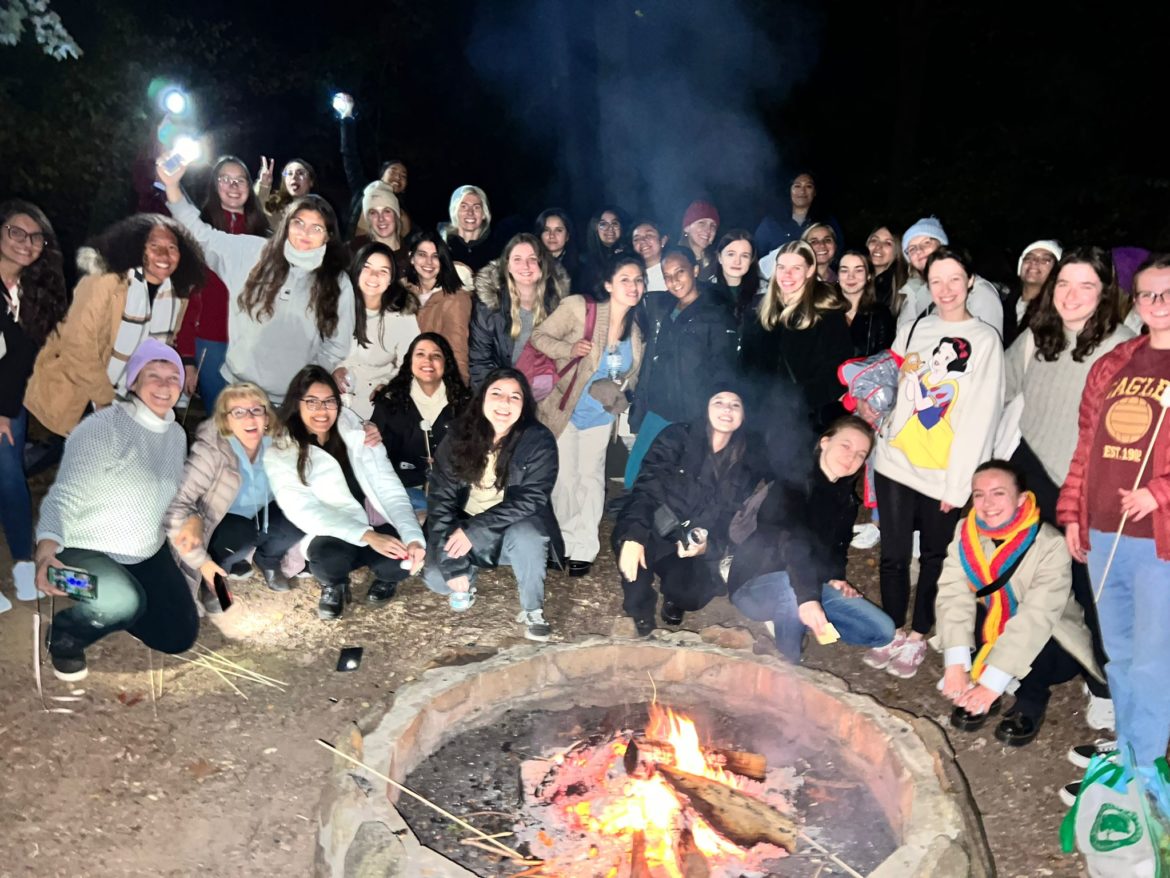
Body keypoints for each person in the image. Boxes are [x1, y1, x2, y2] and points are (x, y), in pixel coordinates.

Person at [1005, 247, 1134, 737]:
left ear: (1105, 294)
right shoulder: (1040, 336)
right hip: (1031, 472)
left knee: (1091, 596)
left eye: (1086, 286)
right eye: (1063, 284)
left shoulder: (1123, 349)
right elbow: (998, 383)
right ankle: (1031, 689)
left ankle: (1103, 686)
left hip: (1087, 487)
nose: (1071, 296)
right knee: (1026, 585)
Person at [1057, 253, 1170, 793]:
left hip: (1158, 542)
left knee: (1152, 659)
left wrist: (1159, 491)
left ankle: (1145, 767)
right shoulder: (1117, 361)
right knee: (1120, 654)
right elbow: (1087, 446)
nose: (1156, 305)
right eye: (1147, 295)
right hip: (1104, 532)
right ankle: (1128, 751)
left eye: (1167, 294)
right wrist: (1073, 512)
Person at [864, 248, 1005, 679]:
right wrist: (874, 411)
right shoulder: (915, 328)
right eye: (937, 281)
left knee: (933, 556)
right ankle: (889, 628)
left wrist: (959, 486)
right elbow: (891, 380)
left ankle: (919, 633)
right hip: (894, 461)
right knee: (892, 553)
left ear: (971, 282)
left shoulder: (984, 341)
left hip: (942, 472)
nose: (945, 290)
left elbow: (982, 416)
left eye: (954, 280)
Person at [34, 339, 197, 681]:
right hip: (86, 548)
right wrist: (47, 550)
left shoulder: (177, 435)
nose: (165, 386)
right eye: (154, 375)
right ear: (134, 381)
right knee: (122, 602)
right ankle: (65, 631)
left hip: (144, 553)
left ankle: (118, 605)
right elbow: (65, 494)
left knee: (178, 636)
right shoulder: (103, 427)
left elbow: (165, 498)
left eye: (173, 377)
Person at [159, 160, 355, 404]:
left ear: (328, 235)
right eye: (298, 223)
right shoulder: (253, 253)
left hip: (292, 401)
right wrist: (172, 186)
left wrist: (309, 377)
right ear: (286, 225)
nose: (305, 233)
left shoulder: (337, 281)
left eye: (316, 228)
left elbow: (337, 344)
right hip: (238, 389)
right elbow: (202, 236)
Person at [938, 461, 1104, 747]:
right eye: (979, 494)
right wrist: (956, 662)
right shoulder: (966, 530)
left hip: (1051, 638)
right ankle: (980, 681)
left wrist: (992, 683)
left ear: (1021, 499)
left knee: (1036, 635)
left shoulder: (1050, 544)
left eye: (998, 493)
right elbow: (953, 593)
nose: (987, 503)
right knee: (971, 614)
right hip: (996, 621)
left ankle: (1031, 698)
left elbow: (1036, 617)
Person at [728, 416, 895, 661]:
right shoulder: (792, 484)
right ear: (825, 442)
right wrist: (807, 599)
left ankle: (795, 618)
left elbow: (838, 548)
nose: (852, 458)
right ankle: (788, 669)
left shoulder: (846, 501)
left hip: (810, 585)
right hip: (757, 580)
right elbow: (791, 541)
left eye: (861, 454)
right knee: (789, 590)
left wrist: (835, 578)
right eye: (846, 446)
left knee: (882, 631)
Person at [265, 366, 425, 621]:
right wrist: (369, 536)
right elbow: (305, 512)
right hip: (333, 530)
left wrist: (413, 535)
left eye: (329, 401)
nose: (322, 410)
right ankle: (334, 585)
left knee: (400, 560)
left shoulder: (356, 431)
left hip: (374, 520)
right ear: (297, 403)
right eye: (312, 402)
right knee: (327, 561)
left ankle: (385, 579)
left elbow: (390, 489)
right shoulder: (282, 451)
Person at [24, 213, 206, 436]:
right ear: (137, 247)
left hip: (130, 394)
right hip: (81, 390)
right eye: (154, 245)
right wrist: (104, 400)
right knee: (79, 453)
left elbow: (164, 346)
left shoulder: (177, 295)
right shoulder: (104, 283)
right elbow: (78, 347)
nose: (163, 254)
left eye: (172, 247)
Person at [422, 367, 562, 640]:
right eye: (497, 393)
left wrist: (476, 530)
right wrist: (453, 564)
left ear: (524, 405)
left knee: (529, 536)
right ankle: (468, 575)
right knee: (438, 579)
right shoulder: (458, 436)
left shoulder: (538, 440)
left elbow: (532, 497)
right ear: (483, 397)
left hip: (511, 525)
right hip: (464, 523)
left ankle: (533, 609)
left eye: (515, 397)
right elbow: (440, 501)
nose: (504, 403)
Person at [616, 386, 768, 635]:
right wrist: (633, 536)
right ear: (705, 407)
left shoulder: (748, 461)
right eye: (718, 401)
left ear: (744, 416)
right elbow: (647, 488)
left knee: (692, 596)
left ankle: (673, 595)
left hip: (690, 545)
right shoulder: (677, 436)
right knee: (632, 551)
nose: (727, 409)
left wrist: (708, 547)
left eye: (735, 404)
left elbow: (732, 521)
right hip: (656, 526)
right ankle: (640, 614)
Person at [530, 255, 646, 575]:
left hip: (600, 415)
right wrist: (569, 350)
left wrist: (620, 389)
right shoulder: (579, 308)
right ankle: (564, 540)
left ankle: (585, 546)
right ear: (608, 284)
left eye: (638, 280)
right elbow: (539, 337)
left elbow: (633, 373)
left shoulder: (636, 330)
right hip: (564, 408)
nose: (633, 286)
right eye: (625, 279)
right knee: (565, 478)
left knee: (591, 478)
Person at [164, 382, 304, 614]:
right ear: (225, 420)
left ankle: (268, 559)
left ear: (267, 417)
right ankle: (213, 578)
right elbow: (177, 506)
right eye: (238, 412)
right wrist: (201, 561)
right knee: (239, 534)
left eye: (256, 410)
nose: (249, 418)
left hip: (261, 515)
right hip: (219, 521)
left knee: (299, 517)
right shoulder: (211, 450)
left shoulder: (281, 444)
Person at [0, 200, 68, 611]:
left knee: (11, 480)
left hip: (10, 403)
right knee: (7, 474)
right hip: (3, 407)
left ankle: (25, 565)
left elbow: (27, 357)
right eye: (16, 232)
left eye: (36, 236)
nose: (27, 243)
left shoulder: (31, 291)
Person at [626, 247, 738, 486]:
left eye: (680, 272)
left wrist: (714, 415)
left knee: (681, 478)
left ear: (695, 270)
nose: (674, 281)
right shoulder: (660, 307)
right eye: (667, 276)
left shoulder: (715, 315)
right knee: (635, 473)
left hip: (693, 412)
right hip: (659, 407)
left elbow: (723, 368)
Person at [175, 155, 270, 410]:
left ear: (250, 188)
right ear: (214, 186)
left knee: (252, 416)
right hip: (210, 342)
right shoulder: (198, 231)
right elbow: (188, 295)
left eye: (240, 180)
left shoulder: (265, 236)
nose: (233, 186)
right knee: (217, 418)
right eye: (225, 179)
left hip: (251, 344)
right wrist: (186, 357)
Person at [739, 240, 852, 430]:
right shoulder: (758, 311)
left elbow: (837, 373)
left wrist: (797, 402)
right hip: (759, 418)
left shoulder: (827, 315)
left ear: (809, 271)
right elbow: (745, 365)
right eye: (782, 267)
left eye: (796, 268)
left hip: (804, 422)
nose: (787, 274)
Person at [372, 333, 472, 516]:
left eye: (436, 355)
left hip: (451, 495)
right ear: (410, 361)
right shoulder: (389, 402)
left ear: (446, 363)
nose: (428, 361)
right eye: (420, 354)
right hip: (403, 492)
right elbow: (378, 459)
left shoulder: (465, 403)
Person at [470, 232, 569, 389]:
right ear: (507, 265)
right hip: (504, 392)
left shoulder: (560, 306)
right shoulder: (489, 307)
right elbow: (479, 362)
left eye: (532, 259)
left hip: (548, 393)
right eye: (517, 259)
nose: (526, 266)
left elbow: (567, 357)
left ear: (542, 265)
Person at [335, 242, 419, 420]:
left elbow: (411, 363)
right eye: (367, 268)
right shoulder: (335, 305)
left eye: (383, 271)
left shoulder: (401, 316)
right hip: (331, 398)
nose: (373, 276)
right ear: (356, 270)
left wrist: (387, 384)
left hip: (374, 402)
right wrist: (334, 369)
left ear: (390, 280)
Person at [894, 217, 1004, 339]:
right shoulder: (912, 293)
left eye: (927, 243)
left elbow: (988, 344)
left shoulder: (977, 290)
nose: (919, 250)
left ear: (943, 246)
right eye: (912, 248)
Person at [400, 230, 473, 382]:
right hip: (399, 373)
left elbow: (457, 352)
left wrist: (458, 393)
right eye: (422, 255)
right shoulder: (401, 291)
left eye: (435, 257)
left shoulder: (455, 299)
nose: (428, 262)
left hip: (434, 378)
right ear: (411, 258)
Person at [335, 93, 412, 238]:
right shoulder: (362, 190)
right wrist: (347, 116)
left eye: (403, 176)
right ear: (382, 175)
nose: (398, 177)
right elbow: (349, 153)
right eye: (393, 171)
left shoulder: (403, 214)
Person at [1003, 240, 1062, 347]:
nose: (1034, 262)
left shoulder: (1056, 313)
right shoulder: (1002, 303)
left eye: (1045, 260)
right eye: (1029, 258)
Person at [838, 250, 896, 357]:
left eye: (858, 270)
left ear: (868, 276)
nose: (851, 276)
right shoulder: (825, 310)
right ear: (838, 276)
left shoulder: (881, 314)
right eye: (844, 270)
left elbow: (883, 359)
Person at [754, 171, 823, 256]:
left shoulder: (825, 222)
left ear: (815, 192)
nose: (802, 191)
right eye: (797, 186)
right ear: (789, 190)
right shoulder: (770, 224)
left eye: (808, 186)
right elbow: (757, 257)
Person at [439, 185, 499, 280]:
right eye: (464, 206)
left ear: (484, 214)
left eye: (476, 207)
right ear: (455, 211)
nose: (470, 212)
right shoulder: (440, 246)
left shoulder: (496, 253)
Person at [349, 181, 406, 276]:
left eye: (387, 211)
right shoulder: (353, 250)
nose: (381, 218)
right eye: (373, 212)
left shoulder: (410, 254)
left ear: (396, 215)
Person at [577, 206, 629, 300]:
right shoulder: (584, 261)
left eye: (615, 223)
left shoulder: (629, 255)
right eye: (603, 224)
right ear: (595, 228)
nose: (610, 229)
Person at [707, 230, 759, 320]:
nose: (737, 261)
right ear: (719, 257)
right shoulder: (705, 292)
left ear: (751, 260)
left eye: (744, 256)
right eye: (731, 254)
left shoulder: (764, 292)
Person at [256, 158, 315, 228]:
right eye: (289, 173)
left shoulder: (318, 212)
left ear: (311, 181)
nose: (294, 177)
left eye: (300, 173)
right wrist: (263, 185)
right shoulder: (274, 206)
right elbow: (256, 209)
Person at [866, 225, 908, 312]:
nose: (878, 246)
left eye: (887, 243)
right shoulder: (857, 279)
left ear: (897, 251)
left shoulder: (902, 288)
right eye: (874, 240)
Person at [535, 208, 578, 285]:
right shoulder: (532, 264)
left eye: (558, 230)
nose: (552, 235)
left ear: (567, 236)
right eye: (546, 230)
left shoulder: (580, 269)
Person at [679, 200, 719, 277]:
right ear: (687, 228)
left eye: (713, 225)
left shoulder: (720, 262)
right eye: (702, 223)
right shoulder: (675, 261)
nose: (708, 230)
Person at [630, 219, 669, 292]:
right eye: (636, 239)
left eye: (649, 235)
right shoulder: (632, 275)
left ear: (663, 240)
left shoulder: (673, 270)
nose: (642, 241)